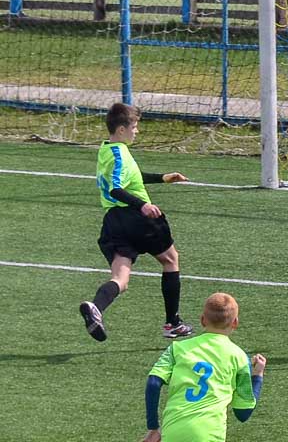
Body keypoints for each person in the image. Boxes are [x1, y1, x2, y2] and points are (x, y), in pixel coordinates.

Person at [79, 102, 193, 341]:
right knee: (171, 259)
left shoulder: (107, 150)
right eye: (134, 126)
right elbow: (116, 188)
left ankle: (96, 307)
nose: (136, 131)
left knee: (121, 279)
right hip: (137, 218)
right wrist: (142, 205)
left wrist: (163, 178)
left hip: (113, 222)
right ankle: (173, 323)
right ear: (121, 129)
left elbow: (131, 178)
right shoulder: (120, 153)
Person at [143, 292, 266, 442]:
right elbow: (243, 413)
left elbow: (153, 383)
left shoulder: (177, 349)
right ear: (235, 322)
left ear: (202, 320)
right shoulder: (240, 358)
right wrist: (257, 376)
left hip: (173, 431)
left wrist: (153, 427)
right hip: (209, 435)